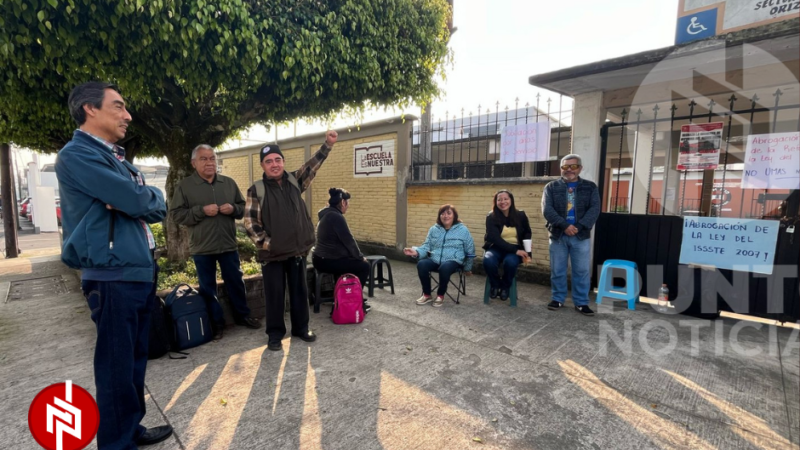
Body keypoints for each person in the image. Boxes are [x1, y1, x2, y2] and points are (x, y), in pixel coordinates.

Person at [55, 82, 172, 448]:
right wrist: (136, 197)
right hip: (112, 275)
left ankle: (130, 428)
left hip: (135, 270)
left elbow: (154, 204)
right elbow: (137, 201)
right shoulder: (77, 155)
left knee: (135, 361)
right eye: (118, 106)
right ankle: (116, 443)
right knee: (115, 366)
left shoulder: (114, 157)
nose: (128, 115)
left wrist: (140, 197)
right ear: (90, 109)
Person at [244, 131, 338, 351]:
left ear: (283, 162)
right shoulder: (256, 189)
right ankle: (275, 334)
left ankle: (301, 328)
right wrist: (269, 244)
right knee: (275, 296)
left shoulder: (295, 180)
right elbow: (250, 223)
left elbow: (313, 165)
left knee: (299, 292)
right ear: (262, 165)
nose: (274, 164)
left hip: (297, 250)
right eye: (269, 161)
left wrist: (328, 145)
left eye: (278, 160)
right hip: (273, 254)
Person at [170, 144, 261, 340]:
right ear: (194, 163)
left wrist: (233, 209)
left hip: (227, 243)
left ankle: (243, 316)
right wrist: (201, 211)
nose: (210, 162)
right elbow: (176, 215)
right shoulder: (185, 186)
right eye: (204, 159)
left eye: (212, 158)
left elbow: (243, 207)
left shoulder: (228, 183)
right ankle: (216, 323)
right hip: (202, 247)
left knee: (236, 282)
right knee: (207, 287)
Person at [542, 154, 601, 316]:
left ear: (580, 168)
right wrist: (564, 225)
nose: (569, 170)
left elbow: (594, 209)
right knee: (557, 270)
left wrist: (579, 226)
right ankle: (558, 298)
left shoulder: (590, 187)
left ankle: (581, 302)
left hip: (580, 236)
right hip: (558, 235)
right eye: (565, 167)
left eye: (573, 166)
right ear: (561, 169)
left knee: (581, 271)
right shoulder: (551, 187)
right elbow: (547, 210)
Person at [312, 187, 372, 312]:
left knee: (349, 263)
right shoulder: (336, 217)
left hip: (320, 258)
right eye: (348, 203)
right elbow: (349, 241)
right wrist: (360, 257)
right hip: (327, 261)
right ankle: (354, 299)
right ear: (343, 202)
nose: (348, 206)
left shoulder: (326, 214)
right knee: (364, 266)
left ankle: (344, 295)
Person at [403, 204, 475, 307]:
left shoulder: (463, 230)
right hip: (435, 259)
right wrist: (416, 252)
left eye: (449, 213)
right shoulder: (434, 229)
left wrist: (467, 268)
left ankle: (440, 295)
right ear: (439, 216)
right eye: (443, 213)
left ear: (454, 215)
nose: (445, 216)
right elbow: (426, 246)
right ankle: (427, 294)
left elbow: (470, 249)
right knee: (422, 264)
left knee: (444, 267)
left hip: (453, 260)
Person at [483, 190, 532, 301]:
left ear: (511, 200)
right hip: (496, 247)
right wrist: (516, 251)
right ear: (495, 202)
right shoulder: (491, 217)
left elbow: (527, 232)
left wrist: (527, 251)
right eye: (499, 199)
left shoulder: (521, 215)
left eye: (506, 199)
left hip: (515, 248)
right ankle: (495, 284)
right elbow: (495, 238)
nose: (502, 202)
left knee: (510, 262)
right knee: (488, 261)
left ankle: (505, 287)